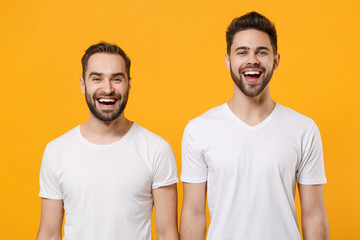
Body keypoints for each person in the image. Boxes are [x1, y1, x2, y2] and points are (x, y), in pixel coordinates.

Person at [180, 12, 330, 240]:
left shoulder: (304, 129)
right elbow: (193, 214)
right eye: (242, 52)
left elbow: (314, 214)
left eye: (262, 52)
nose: (252, 60)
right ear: (228, 60)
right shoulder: (198, 130)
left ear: (276, 60)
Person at [37, 42, 179, 240]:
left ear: (129, 84)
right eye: (97, 78)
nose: (107, 88)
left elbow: (167, 234)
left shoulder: (156, 149)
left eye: (117, 79)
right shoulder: (56, 151)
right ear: (82, 84)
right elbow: (49, 234)